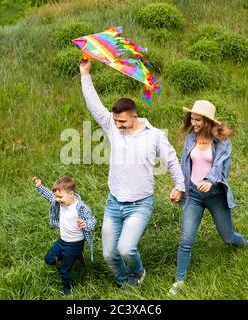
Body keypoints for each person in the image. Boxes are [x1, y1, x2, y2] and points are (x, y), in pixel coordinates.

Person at [79, 59, 185, 288]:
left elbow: (171, 160)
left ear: (134, 117)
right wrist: (85, 73)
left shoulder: (154, 135)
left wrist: (179, 185)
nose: (117, 125)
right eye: (115, 120)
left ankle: (138, 272)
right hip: (113, 202)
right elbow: (93, 104)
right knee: (109, 254)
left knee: (126, 249)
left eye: (122, 121)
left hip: (140, 203)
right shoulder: (111, 125)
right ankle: (126, 283)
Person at [168, 100, 248, 296]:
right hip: (194, 195)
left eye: (198, 119)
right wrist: (179, 188)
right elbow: (184, 166)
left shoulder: (222, 142)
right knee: (186, 239)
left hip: (215, 195)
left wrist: (210, 180)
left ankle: (245, 243)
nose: (194, 122)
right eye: (192, 118)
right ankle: (179, 281)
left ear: (207, 121)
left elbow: (220, 168)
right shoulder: (190, 139)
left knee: (228, 237)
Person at [33, 175, 97, 294]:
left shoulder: (81, 208)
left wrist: (85, 224)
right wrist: (39, 186)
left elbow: (93, 221)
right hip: (62, 241)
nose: (57, 199)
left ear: (71, 194)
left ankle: (68, 291)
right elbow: (49, 196)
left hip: (75, 243)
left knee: (64, 270)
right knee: (49, 259)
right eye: (57, 197)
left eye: (60, 197)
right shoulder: (60, 203)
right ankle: (77, 255)